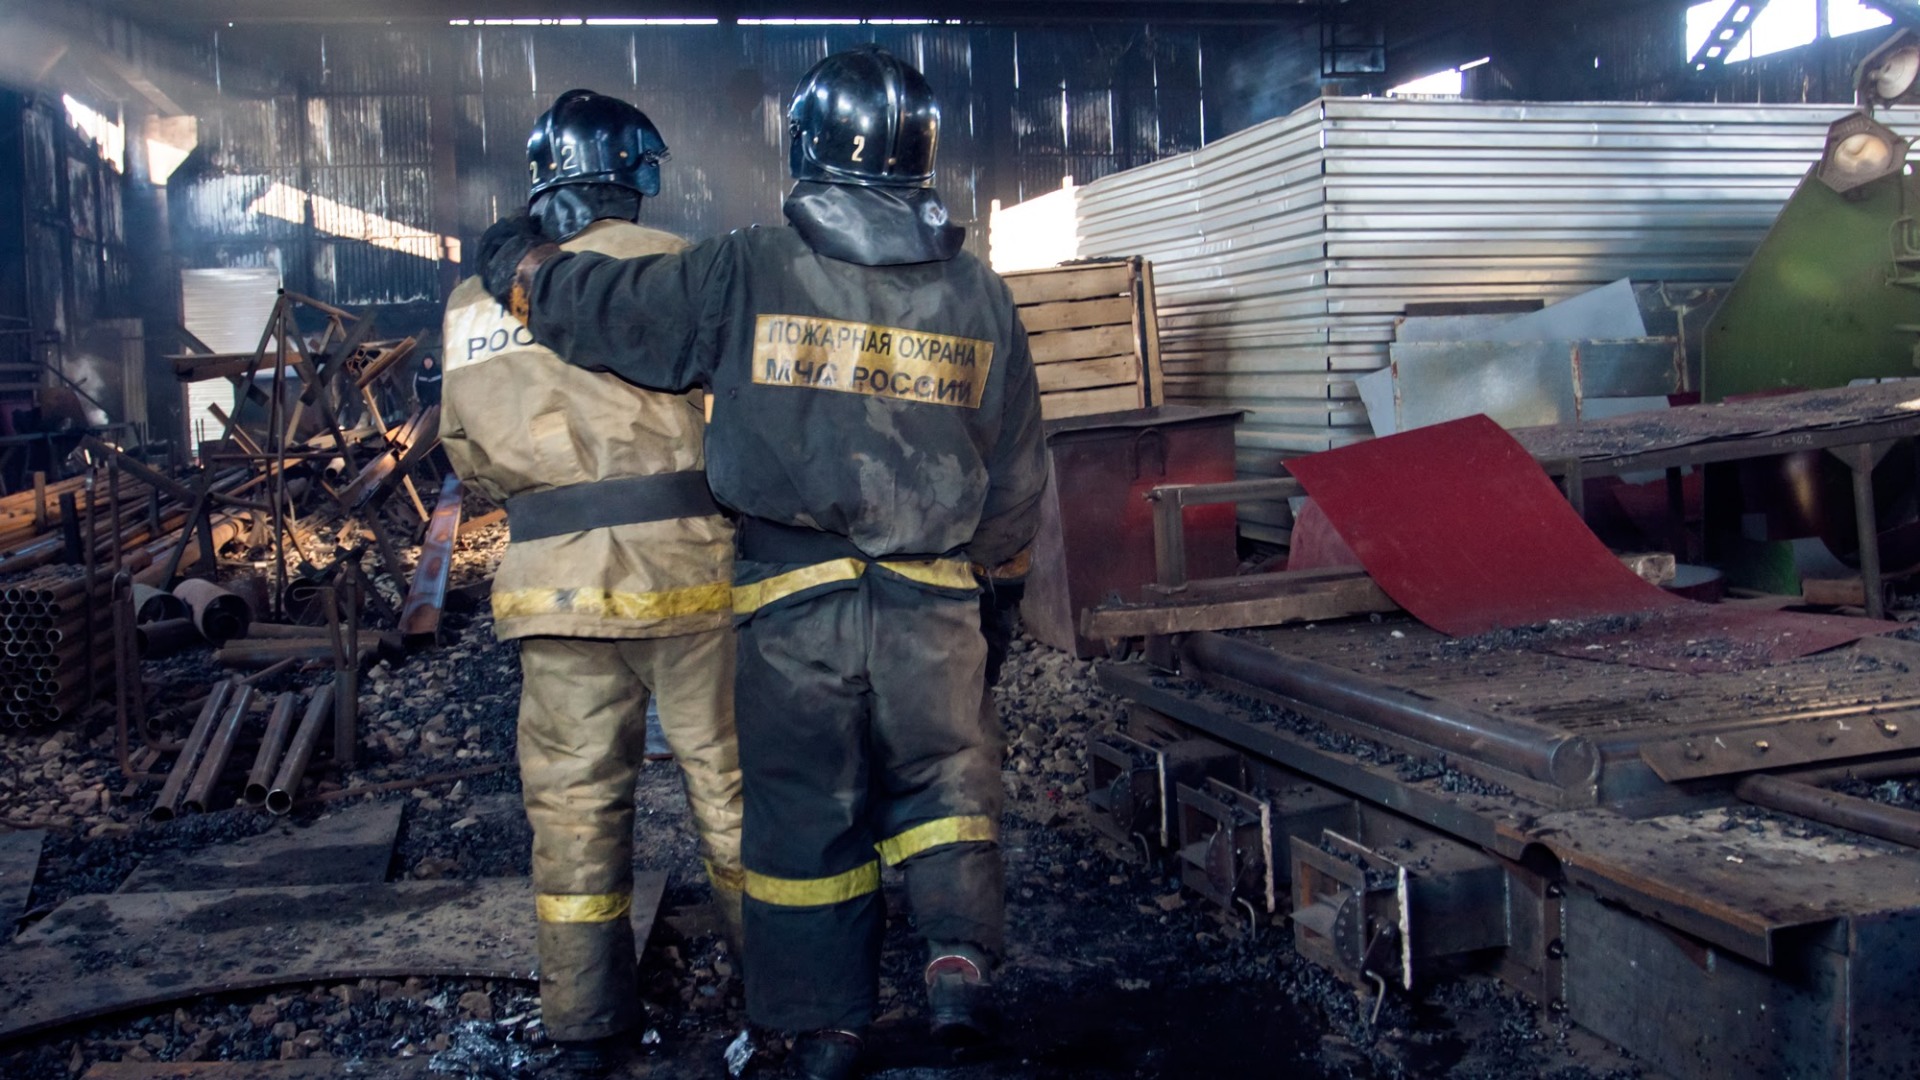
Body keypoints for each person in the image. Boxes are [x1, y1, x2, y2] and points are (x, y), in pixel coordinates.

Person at [475, 46, 1048, 1080]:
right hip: (933, 599)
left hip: (793, 609)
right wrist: (992, 595)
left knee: (805, 808)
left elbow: (606, 311)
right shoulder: (980, 294)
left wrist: (516, 262)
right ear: (922, 154)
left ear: (808, 147)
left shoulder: (748, 268)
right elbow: (1014, 480)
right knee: (948, 783)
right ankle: (958, 967)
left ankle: (826, 1029)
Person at [439, 88, 744, 1077]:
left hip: (550, 584)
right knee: (735, 790)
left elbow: (466, 455)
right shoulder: (680, 266)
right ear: (635, 174)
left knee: (572, 810)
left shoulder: (470, 303)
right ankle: (785, 999)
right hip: (688, 574)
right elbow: (742, 419)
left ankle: (585, 1020)